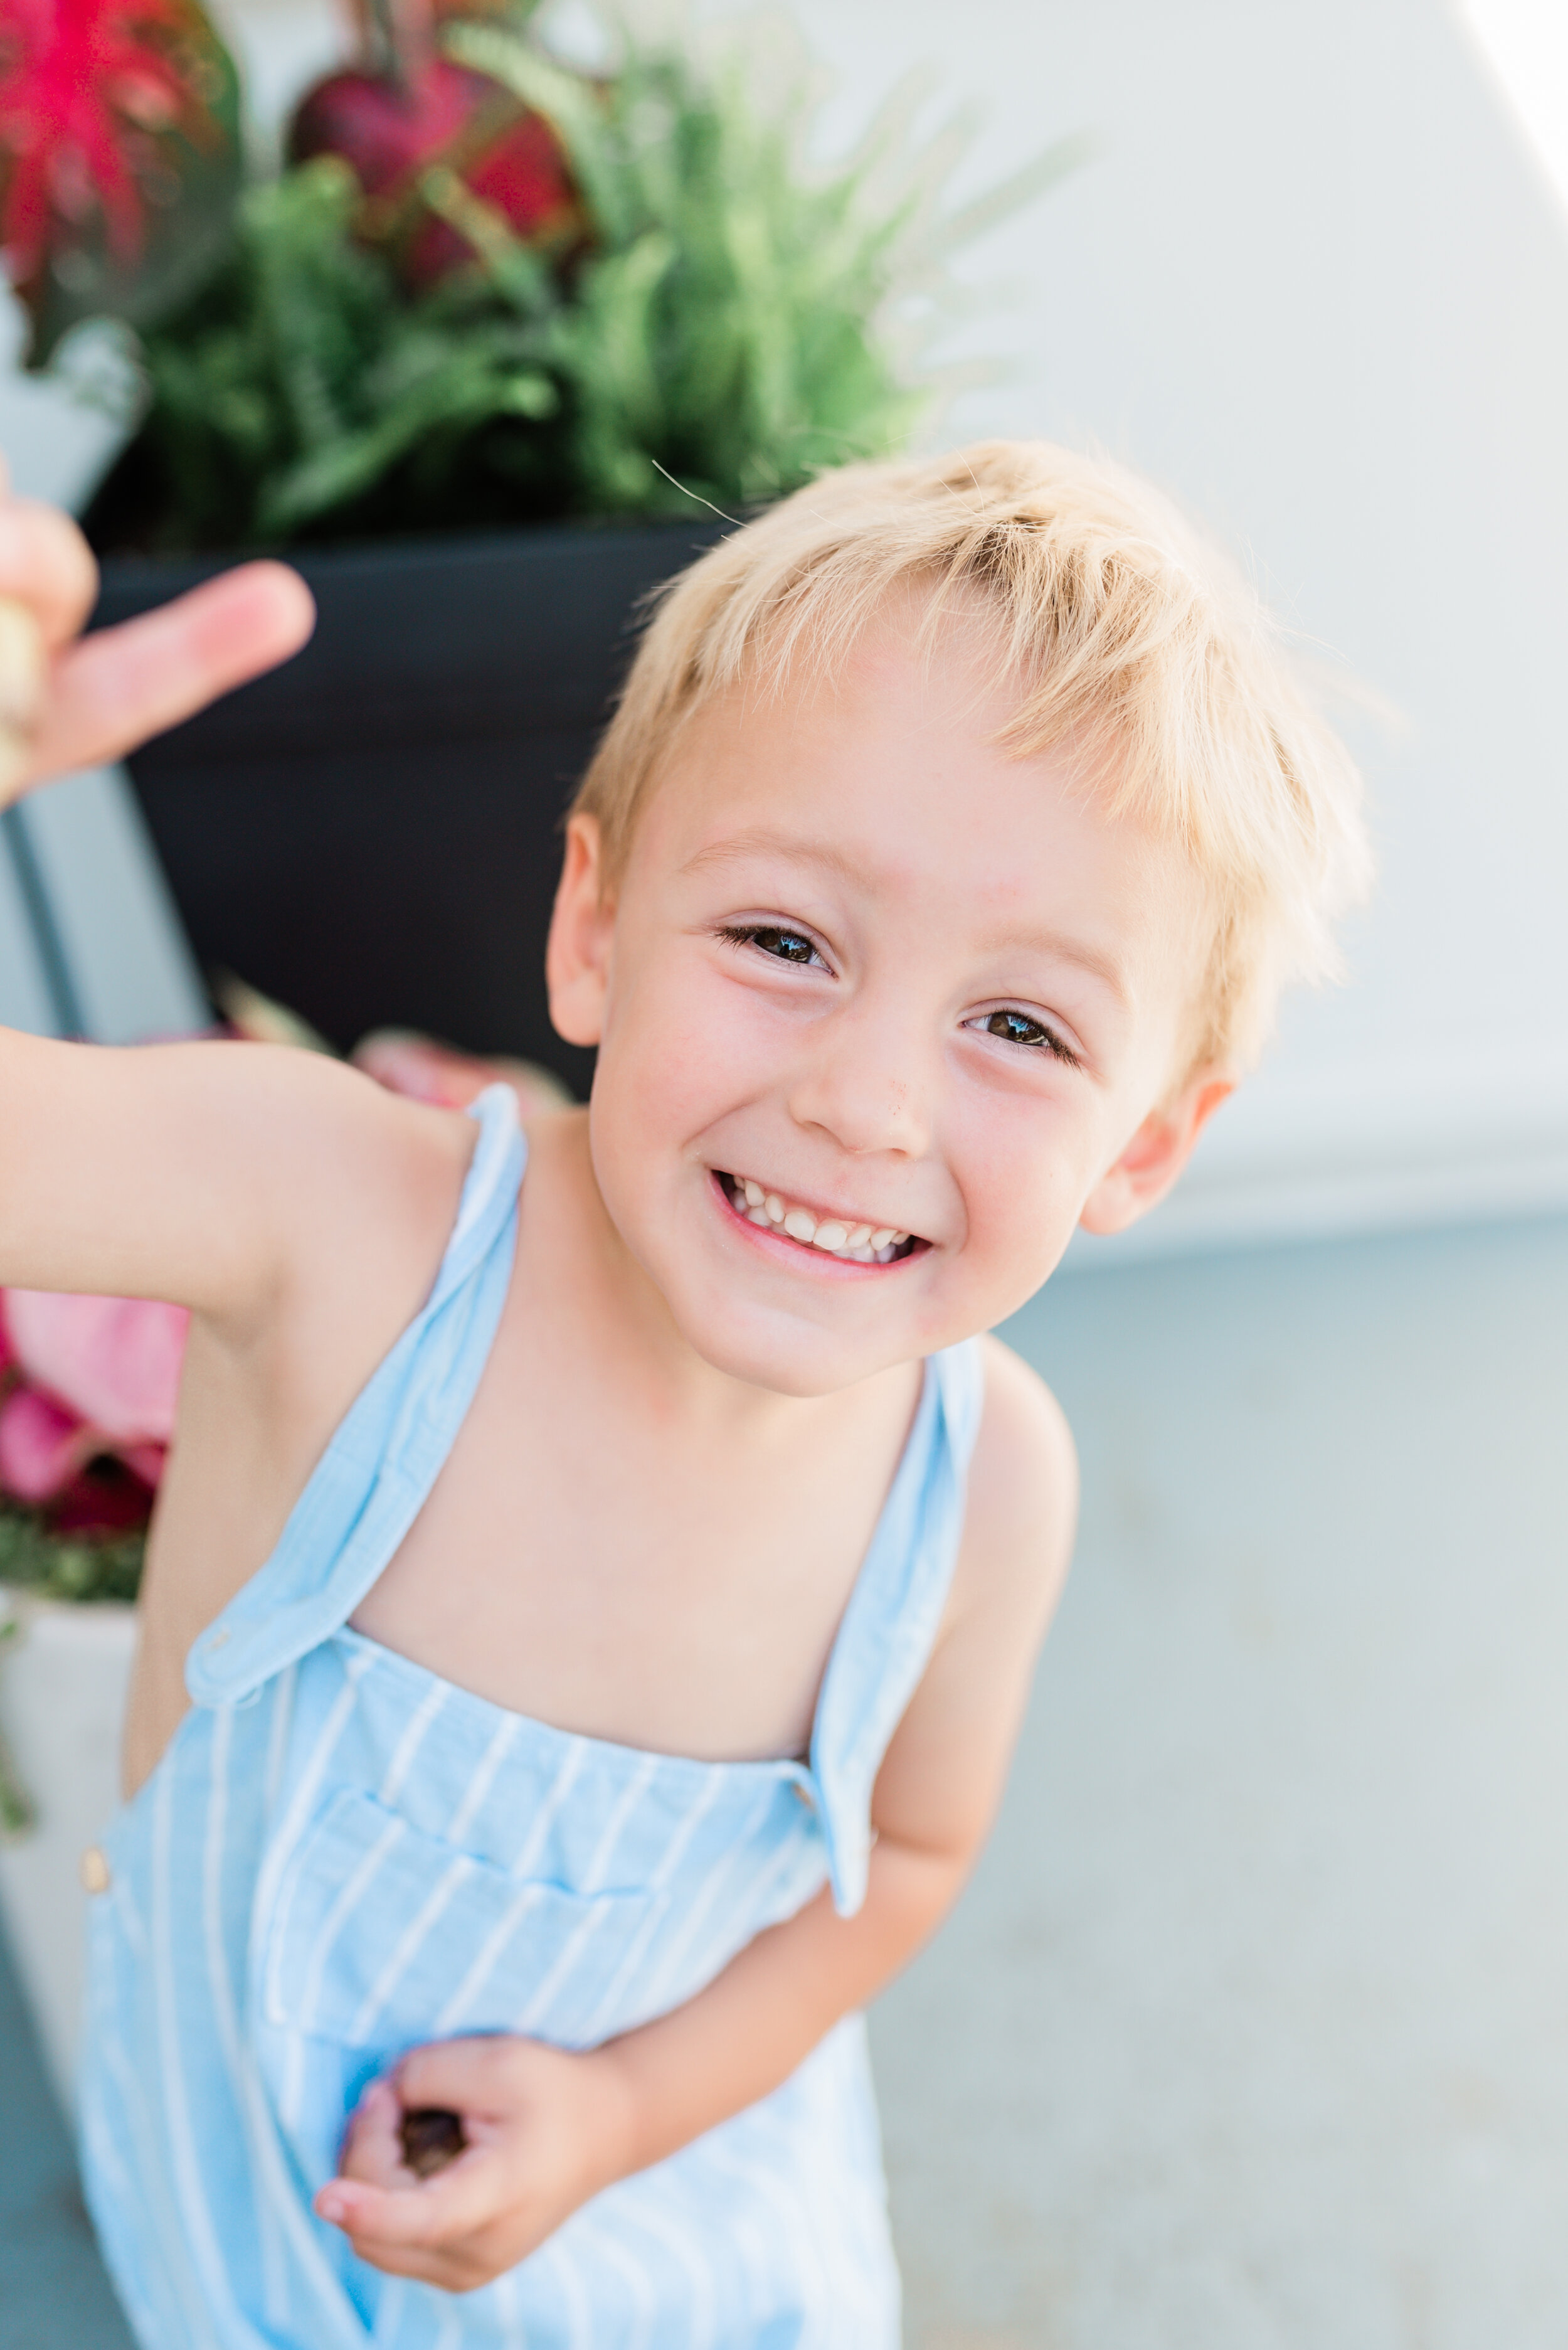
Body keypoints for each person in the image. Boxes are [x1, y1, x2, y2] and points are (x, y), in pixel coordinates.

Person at [0, 442, 1369, 2348]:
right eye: (783, 942)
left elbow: (900, 1858)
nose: (866, 1102)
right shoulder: (346, 1228)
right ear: (593, 928)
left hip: (685, 2260)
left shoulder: (980, 1491)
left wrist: (626, 2109)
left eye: (1020, 1027)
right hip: (252, 2255)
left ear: (1142, 1148)